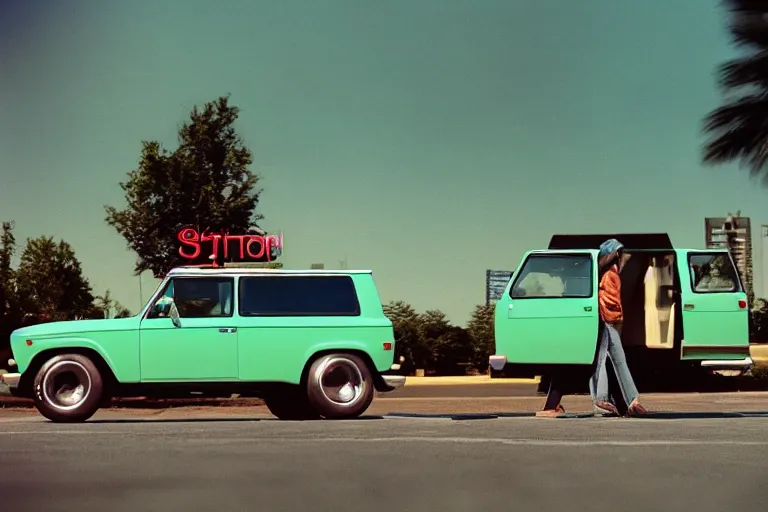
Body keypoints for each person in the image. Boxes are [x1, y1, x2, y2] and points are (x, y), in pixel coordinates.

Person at [590, 238, 648, 417]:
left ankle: (627, 400)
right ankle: (607, 400)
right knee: (605, 361)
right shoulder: (611, 275)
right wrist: (618, 321)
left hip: (605, 322)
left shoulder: (605, 273)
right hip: (607, 323)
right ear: (616, 255)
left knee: (609, 360)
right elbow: (611, 302)